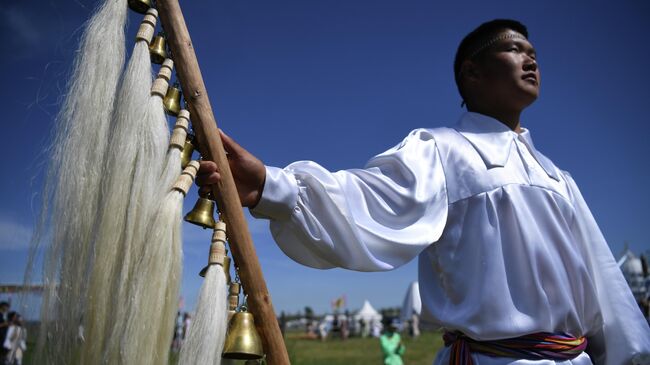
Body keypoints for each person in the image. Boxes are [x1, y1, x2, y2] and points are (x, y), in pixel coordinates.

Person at [196, 19, 650, 364]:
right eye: (514, 50)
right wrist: (270, 187)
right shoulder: (443, 150)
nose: (531, 60)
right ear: (472, 73)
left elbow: (602, 287)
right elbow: (370, 200)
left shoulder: (557, 176)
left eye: (534, 53)